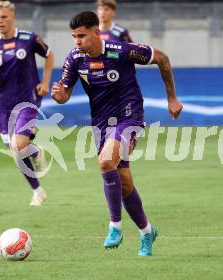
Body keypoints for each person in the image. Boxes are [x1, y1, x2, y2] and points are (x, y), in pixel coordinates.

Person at [51, 11, 183, 256]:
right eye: (74, 37)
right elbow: (65, 93)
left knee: (105, 161)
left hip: (129, 117)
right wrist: (59, 97)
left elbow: (162, 59)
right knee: (124, 183)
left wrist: (172, 98)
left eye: (81, 36)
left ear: (96, 32)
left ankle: (115, 226)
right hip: (101, 124)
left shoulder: (121, 51)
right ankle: (146, 232)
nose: (77, 41)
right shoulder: (75, 58)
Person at [0, 1, 54, 206]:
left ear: (12, 17)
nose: (0, 21)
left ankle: (33, 149)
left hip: (28, 99)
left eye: (3, 17)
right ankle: (38, 190)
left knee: (17, 145)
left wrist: (45, 82)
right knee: (16, 151)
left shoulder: (28, 39)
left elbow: (49, 55)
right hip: (4, 104)